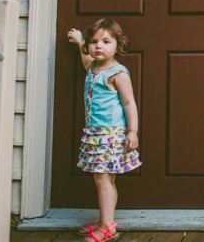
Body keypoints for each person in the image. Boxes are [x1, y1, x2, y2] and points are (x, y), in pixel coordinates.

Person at [67, 19, 141, 242]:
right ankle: (105, 222)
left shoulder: (117, 73)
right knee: (106, 180)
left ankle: (107, 227)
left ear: (118, 46)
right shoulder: (93, 67)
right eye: (94, 42)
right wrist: (80, 41)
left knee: (103, 181)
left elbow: (129, 103)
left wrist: (133, 132)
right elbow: (85, 59)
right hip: (95, 134)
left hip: (110, 135)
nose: (98, 46)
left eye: (106, 41)